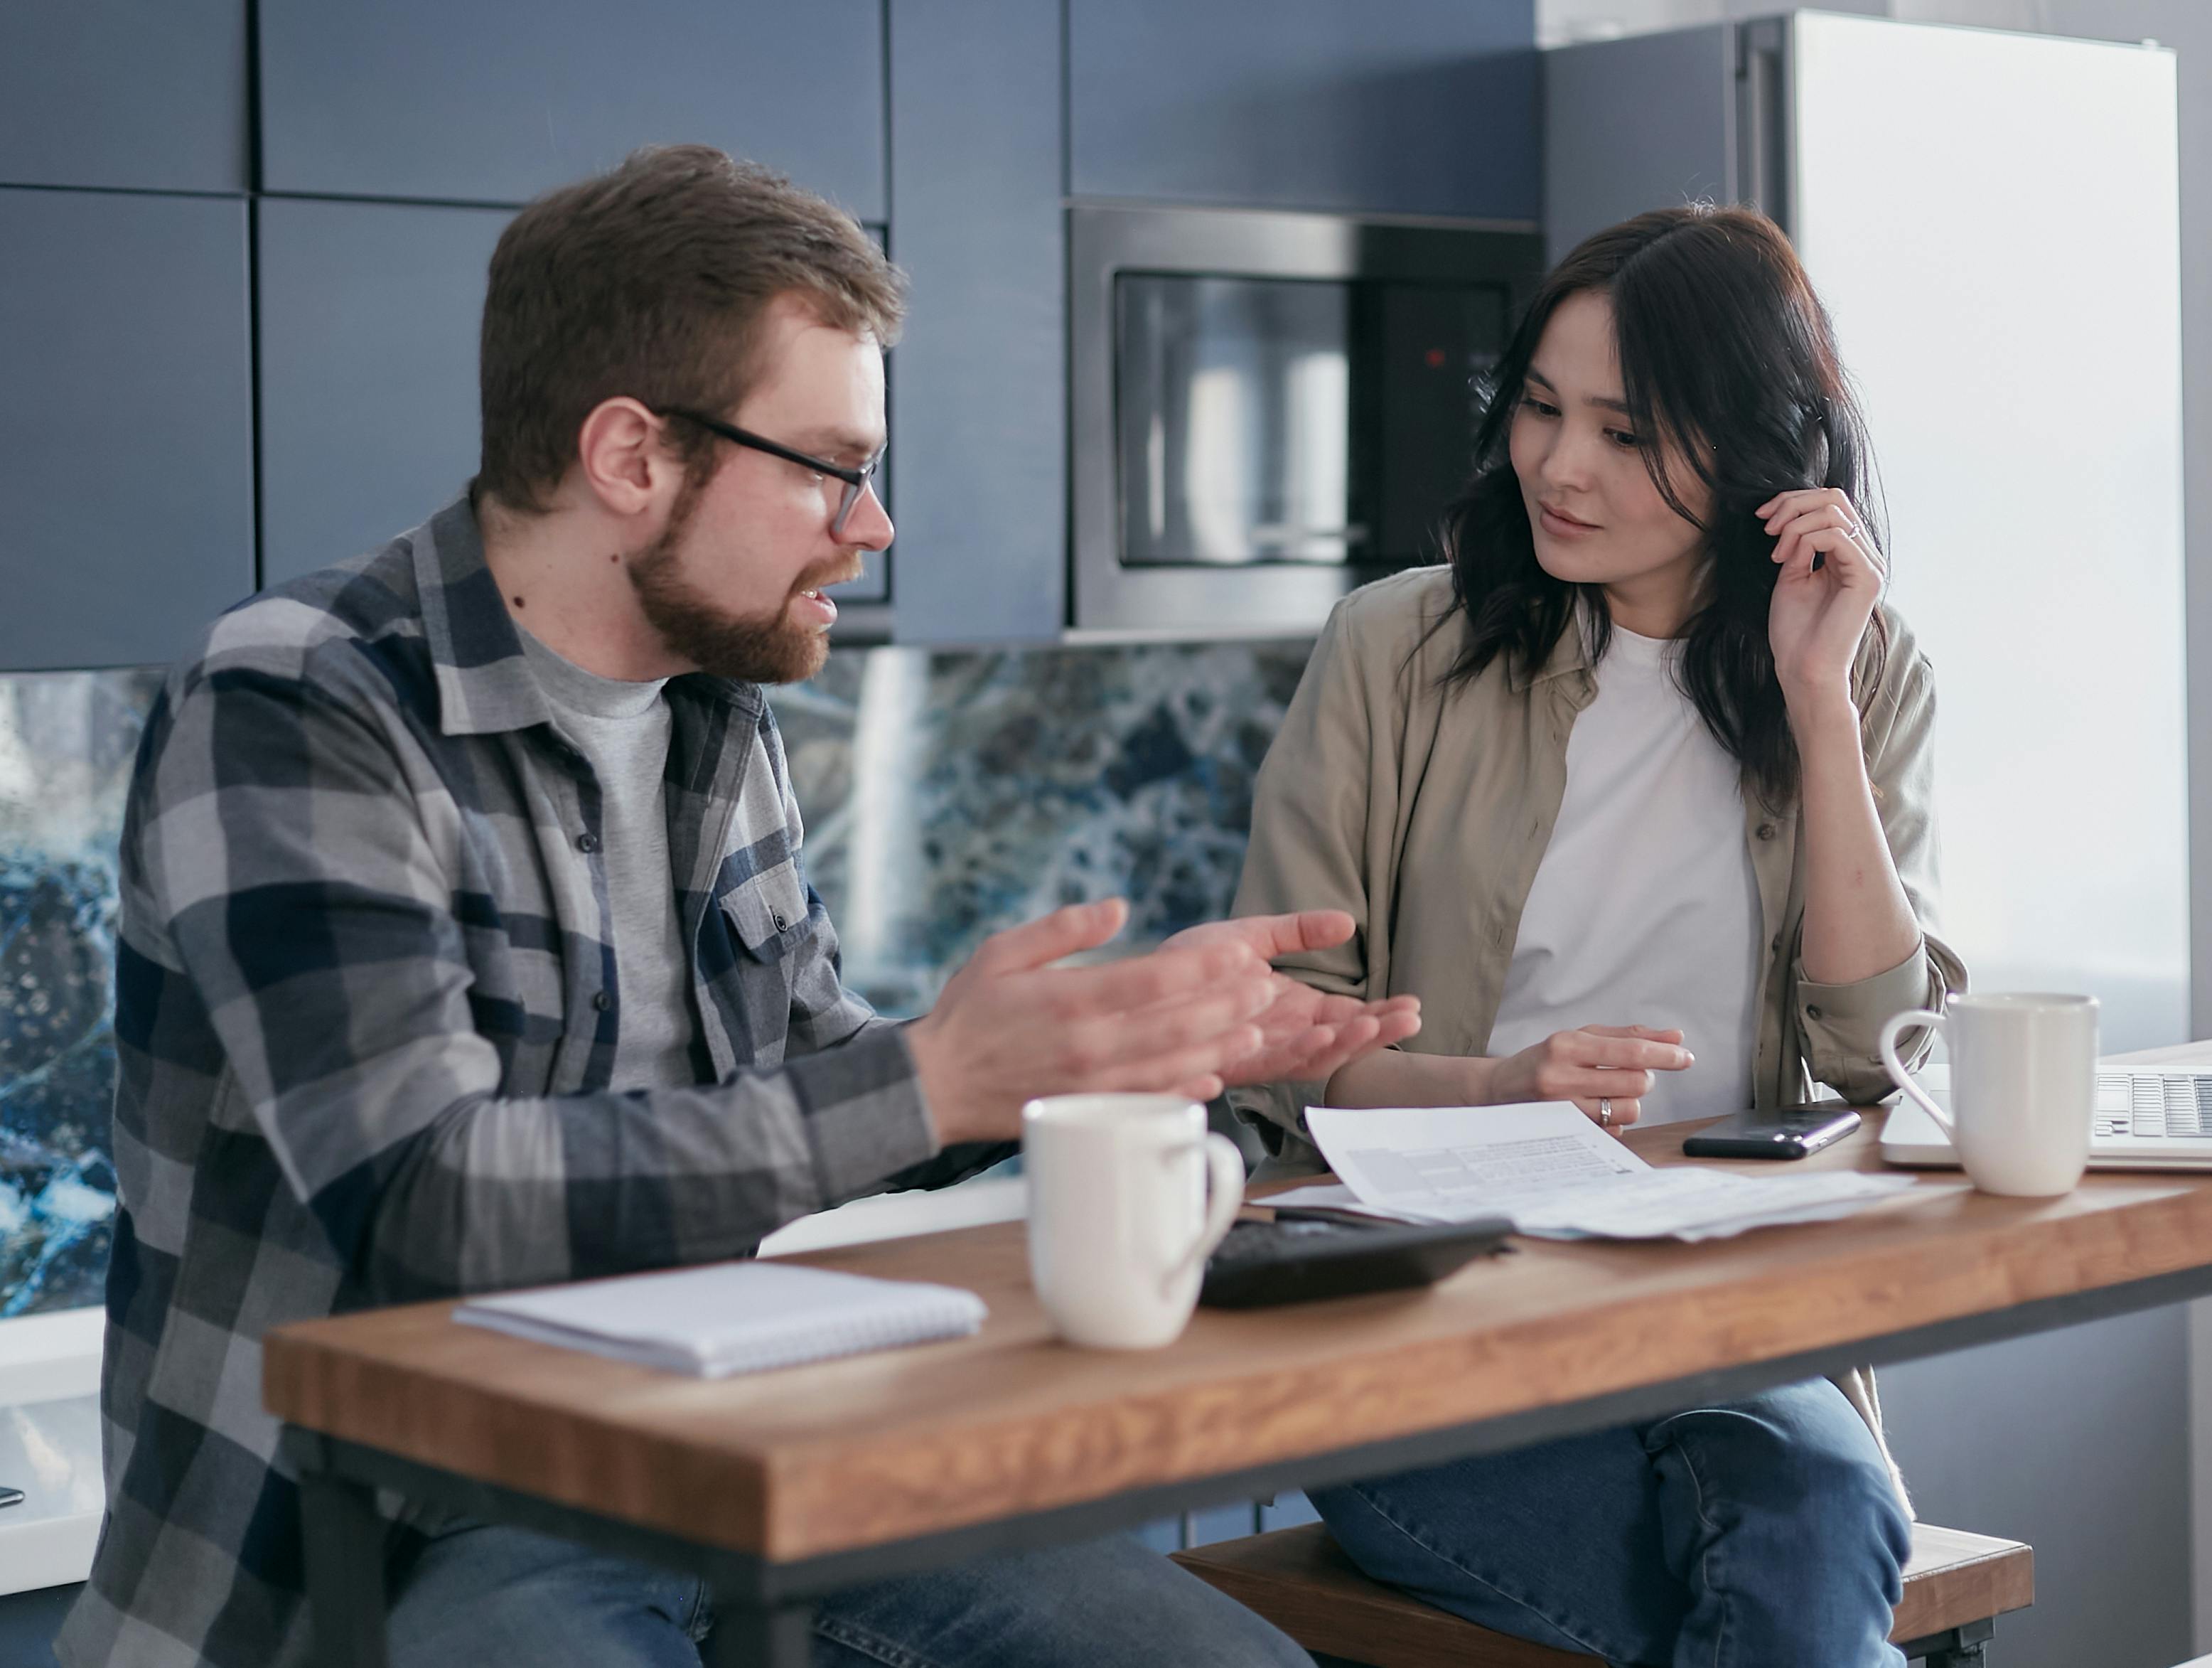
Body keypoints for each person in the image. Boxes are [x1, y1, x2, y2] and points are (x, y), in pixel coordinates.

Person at [59, 145, 1422, 1668]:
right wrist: (931, 1077)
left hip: (735, 1448)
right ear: (631, 456)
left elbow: (804, 1068)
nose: (872, 525)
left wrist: (1087, 1050)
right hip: (397, 1527)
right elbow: (420, 1200)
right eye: (832, 469)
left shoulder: (711, 698)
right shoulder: (303, 700)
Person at [1230, 204, 1965, 1666]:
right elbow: (1275, 1045)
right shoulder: (1395, 651)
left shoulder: (1865, 677)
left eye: (1627, 434)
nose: (1561, 468)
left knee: (1816, 1509)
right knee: (1785, 1613)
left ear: (1765, 452)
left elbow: (1883, 1060)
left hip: (1728, 1324)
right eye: (1541, 412)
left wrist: (1814, 705)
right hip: (1429, 1333)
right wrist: (1493, 1090)